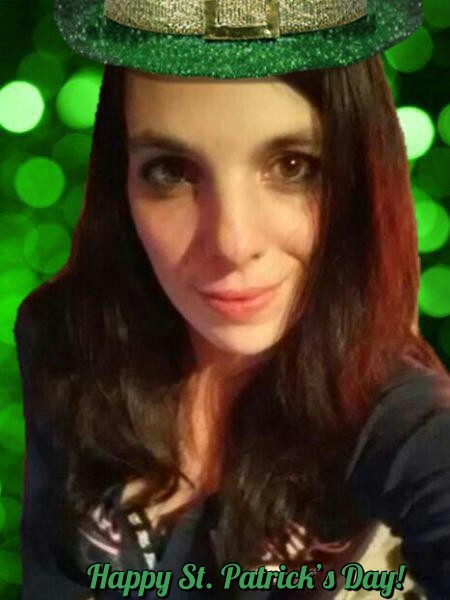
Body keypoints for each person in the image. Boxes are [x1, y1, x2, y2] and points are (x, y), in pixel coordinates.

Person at [15, 1, 450, 599]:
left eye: (293, 166)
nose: (231, 243)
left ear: (357, 175)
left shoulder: (401, 416)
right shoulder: (66, 335)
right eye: (171, 171)